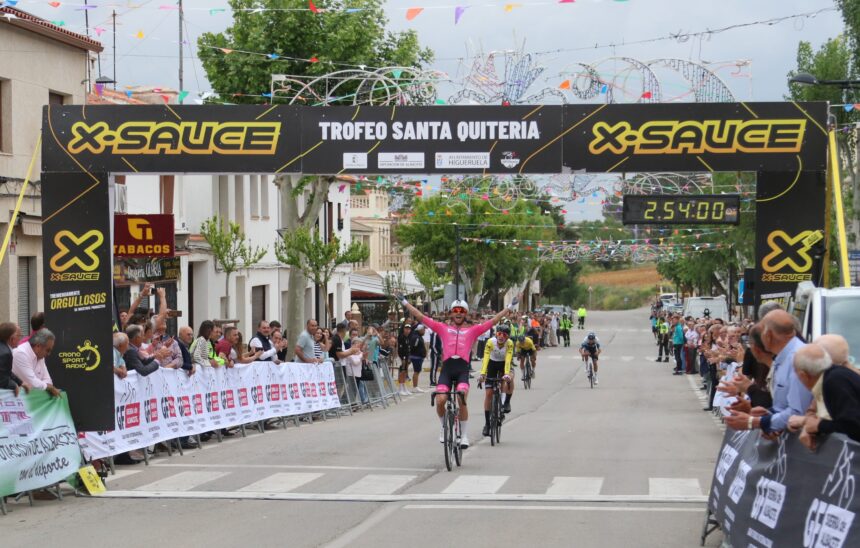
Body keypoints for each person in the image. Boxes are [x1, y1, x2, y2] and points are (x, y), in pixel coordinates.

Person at [398, 295, 516, 449]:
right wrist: (405, 302)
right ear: (451, 313)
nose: (458, 313)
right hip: (447, 369)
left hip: (462, 370)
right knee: (440, 400)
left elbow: (493, 321)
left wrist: (510, 307)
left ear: (465, 313)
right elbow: (421, 316)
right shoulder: (442, 328)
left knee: (461, 399)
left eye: (461, 310)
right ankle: (443, 427)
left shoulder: (473, 330)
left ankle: (464, 435)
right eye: (455, 310)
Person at [725, 310, 810, 436]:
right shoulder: (782, 358)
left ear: (768, 335)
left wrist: (755, 422)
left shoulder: (797, 359)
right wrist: (766, 413)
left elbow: (797, 413)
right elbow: (782, 406)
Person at [788, 344, 860, 446]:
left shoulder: (834, 381)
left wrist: (819, 426)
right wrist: (807, 423)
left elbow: (853, 426)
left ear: (803, 375)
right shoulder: (830, 377)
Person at [479, 324, 514, 437]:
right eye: (499, 333)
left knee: (509, 379)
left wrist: (507, 374)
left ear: (508, 336)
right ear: (496, 334)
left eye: (504, 334)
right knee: (489, 393)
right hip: (492, 364)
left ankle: (506, 402)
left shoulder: (509, 344)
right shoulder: (490, 342)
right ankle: (487, 424)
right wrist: (482, 374)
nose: (501, 336)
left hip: (504, 364)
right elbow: (485, 359)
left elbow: (508, 359)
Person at [12, 329, 60, 397]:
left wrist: (46, 386)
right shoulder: (20, 353)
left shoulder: (40, 356)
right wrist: (48, 387)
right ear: (38, 346)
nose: (49, 354)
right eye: (48, 350)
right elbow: (31, 383)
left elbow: (48, 380)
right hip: (16, 403)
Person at [0, 322, 28, 395]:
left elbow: (6, 372)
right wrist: (14, 385)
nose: (20, 338)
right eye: (19, 336)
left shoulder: (3, 349)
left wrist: (20, 382)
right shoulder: (5, 353)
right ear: (12, 338)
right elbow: (2, 379)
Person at [409, 324, 428, 393]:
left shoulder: (419, 336)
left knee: (417, 371)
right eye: (423, 330)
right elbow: (413, 347)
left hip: (418, 357)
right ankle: (415, 387)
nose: (424, 331)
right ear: (420, 330)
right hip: (416, 357)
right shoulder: (416, 337)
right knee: (416, 372)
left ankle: (416, 386)